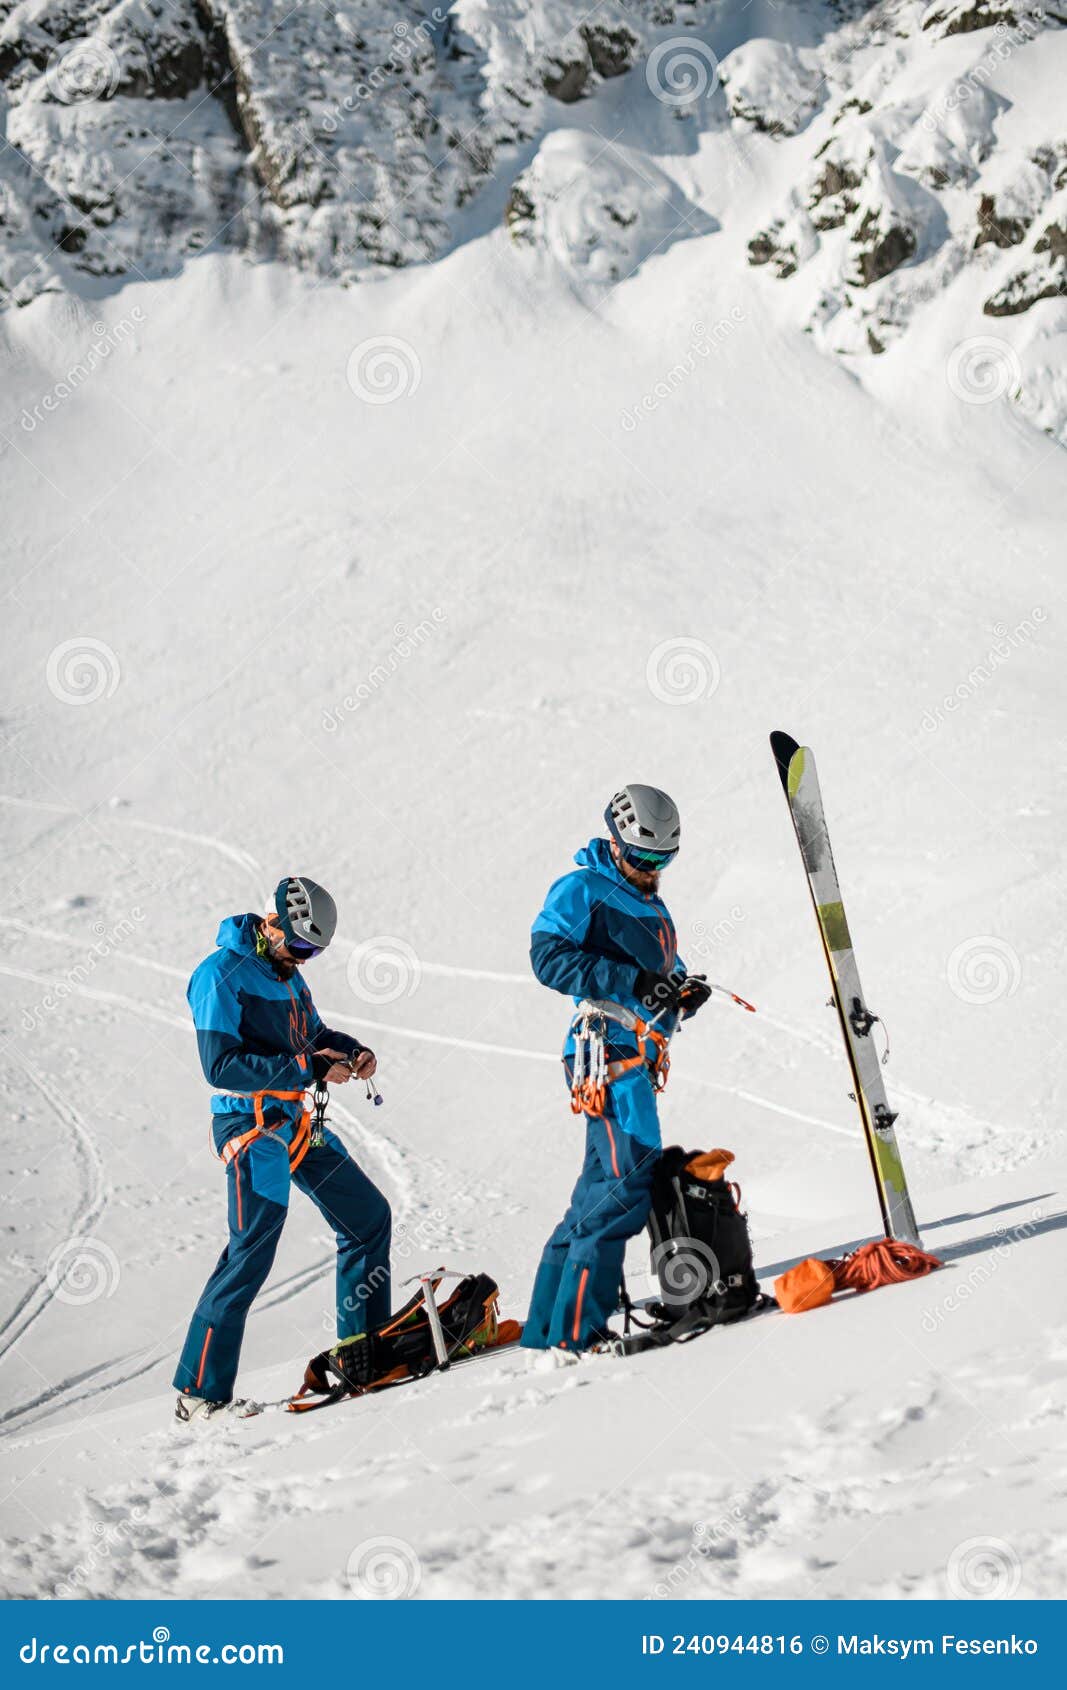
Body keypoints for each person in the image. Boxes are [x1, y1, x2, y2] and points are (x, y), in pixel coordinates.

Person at [172, 875, 389, 1420]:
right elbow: (218, 1067)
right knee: (252, 1250)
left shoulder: (288, 974)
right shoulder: (219, 975)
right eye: (300, 945)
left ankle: (361, 1352)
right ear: (272, 923)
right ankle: (199, 1393)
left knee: (368, 1218)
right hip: (251, 1127)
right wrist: (307, 1067)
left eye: (315, 951)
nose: (305, 958)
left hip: (294, 1119)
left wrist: (350, 1050)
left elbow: (312, 1034)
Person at [521, 786, 711, 1351]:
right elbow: (547, 957)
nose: (651, 869)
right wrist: (633, 982)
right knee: (630, 1185)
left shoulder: (648, 901)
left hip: (633, 1055)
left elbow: (657, 968)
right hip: (607, 1053)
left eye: (662, 860)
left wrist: (681, 989)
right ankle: (580, 1333)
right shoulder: (582, 888)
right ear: (614, 841)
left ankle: (545, 1331)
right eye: (642, 857)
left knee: (596, 1197)